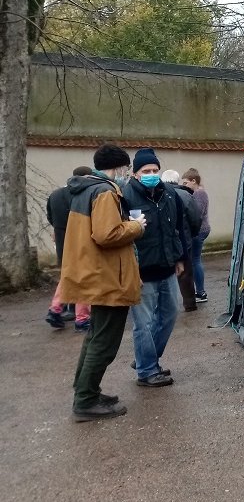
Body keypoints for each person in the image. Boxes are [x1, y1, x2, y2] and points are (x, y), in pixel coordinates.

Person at [61, 144, 145, 421]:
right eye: (127, 168)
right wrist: (137, 227)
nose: (127, 173)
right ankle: (85, 400)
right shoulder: (105, 192)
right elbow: (107, 234)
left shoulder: (84, 189)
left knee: (95, 336)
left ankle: (87, 390)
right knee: (104, 342)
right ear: (119, 167)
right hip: (108, 278)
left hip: (94, 274)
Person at [124, 148, 185, 387]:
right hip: (142, 272)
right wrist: (130, 270)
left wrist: (180, 259)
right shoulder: (126, 196)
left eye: (155, 170)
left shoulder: (169, 194)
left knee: (170, 314)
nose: (151, 174)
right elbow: (123, 237)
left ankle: (146, 358)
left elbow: (178, 229)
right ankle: (147, 370)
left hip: (167, 267)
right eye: (146, 171)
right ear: (136, 173)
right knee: (144, 323)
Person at [45, 166, 93, 331]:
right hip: (80, 241)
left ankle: (55, 309)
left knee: (67, 276)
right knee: (83, 279)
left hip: (61, 242)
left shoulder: (55, 195)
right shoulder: (82, 194)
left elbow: (50, 217)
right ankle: (82, 318)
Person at [162, 169, 201, 312]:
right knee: (186, 274)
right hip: (184, 240)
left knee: (164, 274)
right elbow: (195, 218)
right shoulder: (185, 195)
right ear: (177, 180)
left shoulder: (157, 194)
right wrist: (192, 233)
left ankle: (164, 306)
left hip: (163, 242)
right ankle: (189, 303)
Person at [181, 168, 210, 303]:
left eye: (186, 183)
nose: (184, 186)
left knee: (195, 261)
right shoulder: (198, 193)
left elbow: (197, 213)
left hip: (198, 231)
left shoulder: (199, 194)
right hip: (200, 230)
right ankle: (199, 292)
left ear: (194, 181)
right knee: (195, 260)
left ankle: (200, 292)